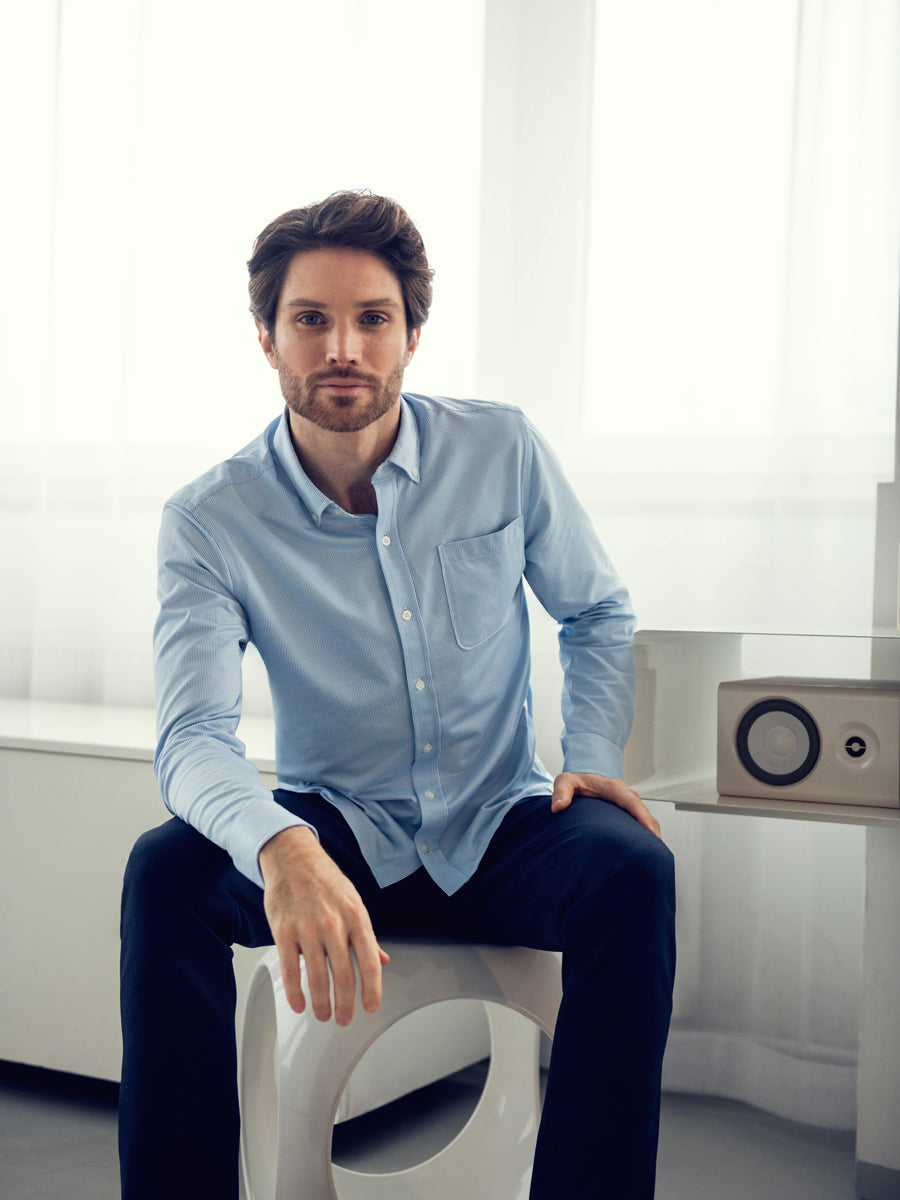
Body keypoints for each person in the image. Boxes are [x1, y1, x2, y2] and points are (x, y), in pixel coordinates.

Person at [119, 190, 676, 1199]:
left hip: (502, 824)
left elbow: (596, 610)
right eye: (311, 318)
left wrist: (592, 754)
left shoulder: (502, 450)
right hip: (340, 831)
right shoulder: (209, 519)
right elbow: (192, 735)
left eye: (372, 318)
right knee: (165, 874)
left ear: (412, 334)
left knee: (633, 868)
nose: (343, 347)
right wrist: (283, 848)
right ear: (265, 338)